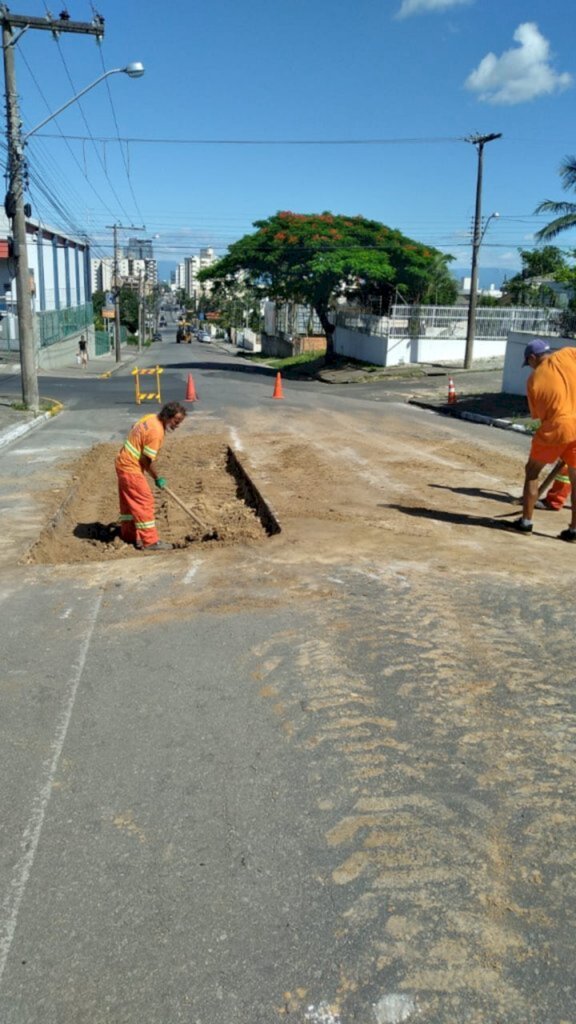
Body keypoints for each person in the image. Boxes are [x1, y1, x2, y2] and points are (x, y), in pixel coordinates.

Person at [512, 339, 576, 541]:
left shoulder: (534, 380)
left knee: (532, 472)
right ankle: (574, 530)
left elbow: (540, 415)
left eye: (528, 362)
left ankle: (526, 522)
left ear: (532, 358)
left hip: (556, 427)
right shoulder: (568, 354)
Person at [115, 402, 186, 551]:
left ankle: (129, 535)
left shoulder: (150, 418)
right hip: (130, 468)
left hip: (122, 462)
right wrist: (157, 478)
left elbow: (133, 428)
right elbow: (147, 460)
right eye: (176, 421)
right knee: (144, 501)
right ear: (167, 416)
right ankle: (150, 542)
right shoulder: (156, 432)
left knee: (129, 503)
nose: (177, 425)